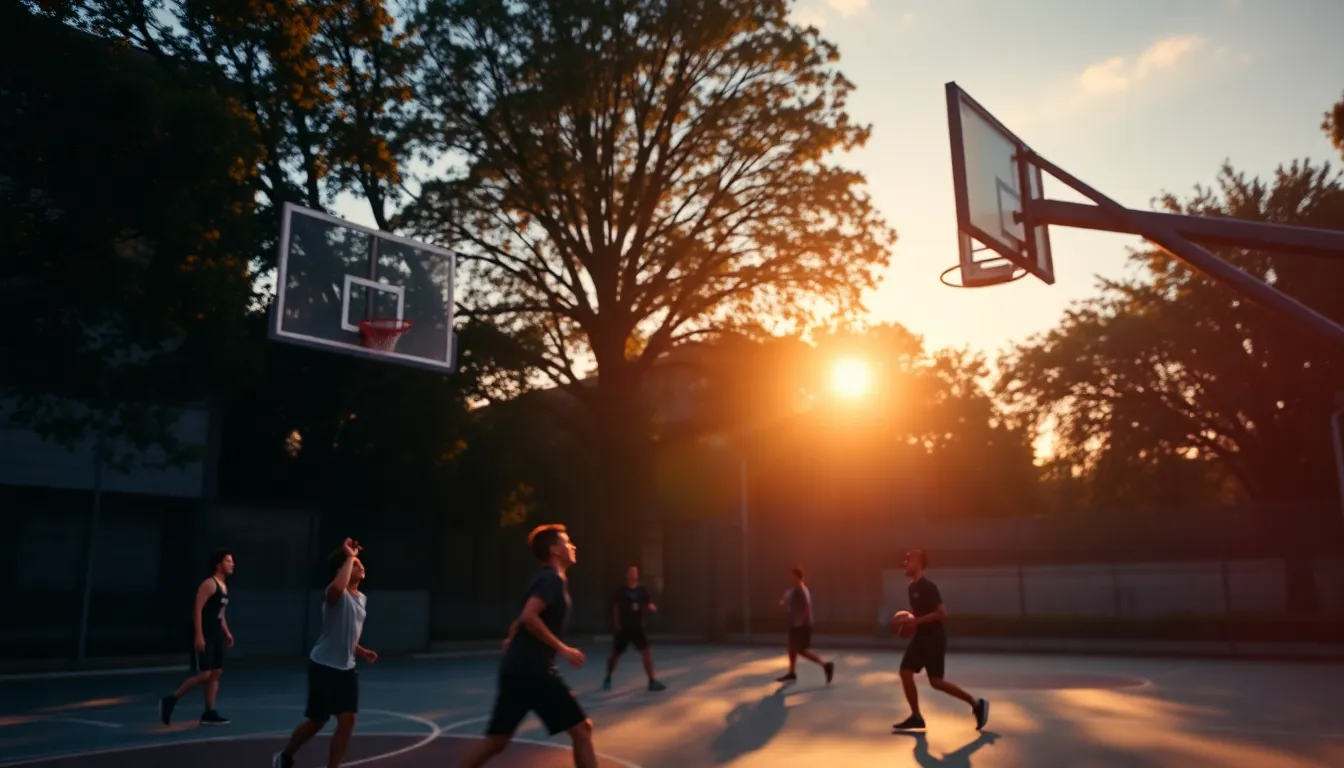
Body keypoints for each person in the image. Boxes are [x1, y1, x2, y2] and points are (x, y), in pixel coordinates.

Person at [459, 524, 597, 768]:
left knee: (497, 741)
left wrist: (511, 643)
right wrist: (563, 649)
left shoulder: (547, 579)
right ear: (555, 550)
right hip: (534, 671)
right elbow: (528, 617)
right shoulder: (550, 580)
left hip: (521, 670)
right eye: (567, 541)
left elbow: (519, 622)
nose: (572, 545)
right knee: (582, 729)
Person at [273, 538, 378, 768]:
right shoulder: (334, 594)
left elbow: (348, 632)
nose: (360, 566)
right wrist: (349, 555)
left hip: (347, 669)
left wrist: (360, 650)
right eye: (354, 563)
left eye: (359, 562)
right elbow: (338, 588)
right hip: (323, 666)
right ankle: (286, 755)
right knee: (317, 721)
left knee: (348, 719)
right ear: (341, 570)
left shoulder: (361, 599)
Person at [891, 549, 989, 732]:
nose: (905, 563)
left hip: (934, 638)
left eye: (908, 560)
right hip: (921, 637)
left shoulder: (928, 587)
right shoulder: (912, 588)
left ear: (919, 563)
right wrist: (906, 621)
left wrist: (915, 620)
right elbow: (919, 614)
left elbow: (942, 613)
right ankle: (916, 717)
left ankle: (976, 704)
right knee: (905, 672)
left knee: (936, 682)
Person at [159, 548, 234, 726]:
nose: (232, 565)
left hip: (216, 634)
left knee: (216, 672)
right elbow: (198, 609)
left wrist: (227, 631)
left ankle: (209, 712)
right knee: (204, 674)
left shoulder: (224, 587)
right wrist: (198, 635)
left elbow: (220, 613)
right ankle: (171, 699)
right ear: (218, 564)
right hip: (205, 633)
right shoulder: (209, 584)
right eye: (228, 561)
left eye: (232, 562)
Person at [602, 565, 667, 692]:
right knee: (615, 655)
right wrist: (617, 624)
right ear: (627, 575)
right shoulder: (621, 590)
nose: (634, 574)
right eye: (632, 572)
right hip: (624, 628)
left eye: (636, 572)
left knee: (646, 653)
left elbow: (648, 603)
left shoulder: (642, 590)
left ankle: (652, 681)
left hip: (638, 627)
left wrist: (651, 607)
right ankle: (608, 677)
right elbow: (615, 607)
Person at [776, 567, 834, 684]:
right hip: (794, 623)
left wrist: (800, 621)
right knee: (791, 648)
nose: (789, 577)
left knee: (800, 650)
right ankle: (792, 673)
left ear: (796, 576)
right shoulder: (793, 590)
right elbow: (785, 598)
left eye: (791, 575)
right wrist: (783, 601)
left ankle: (826, 665)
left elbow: (807, 607)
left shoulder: (801, 589)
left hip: (802, 625)